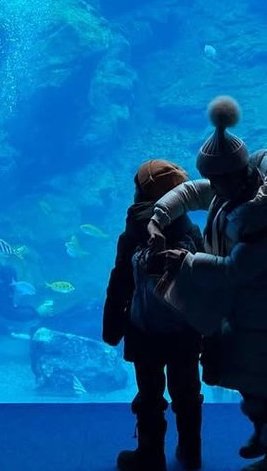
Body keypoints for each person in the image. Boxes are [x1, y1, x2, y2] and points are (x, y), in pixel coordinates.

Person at [148, 96, 267, 471]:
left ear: (235, 174)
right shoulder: (232, 194)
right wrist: (159, 214)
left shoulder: (261, 219)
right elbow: (191, 192)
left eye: (216, 178)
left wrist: (185, 261)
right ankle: (264, 433)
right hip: (244, 313)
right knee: (252, 381)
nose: (211, 185)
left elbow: (237, 269)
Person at [103, 159, 205, 471]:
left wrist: (112, 326)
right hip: (184, 329)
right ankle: (190, 450)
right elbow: (205, 281)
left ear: (142, 193)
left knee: (149, 394)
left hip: (143, 328)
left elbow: (120, 280)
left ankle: (150, 454)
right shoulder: (189, 229)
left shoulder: (134, 230)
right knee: (187, 391)